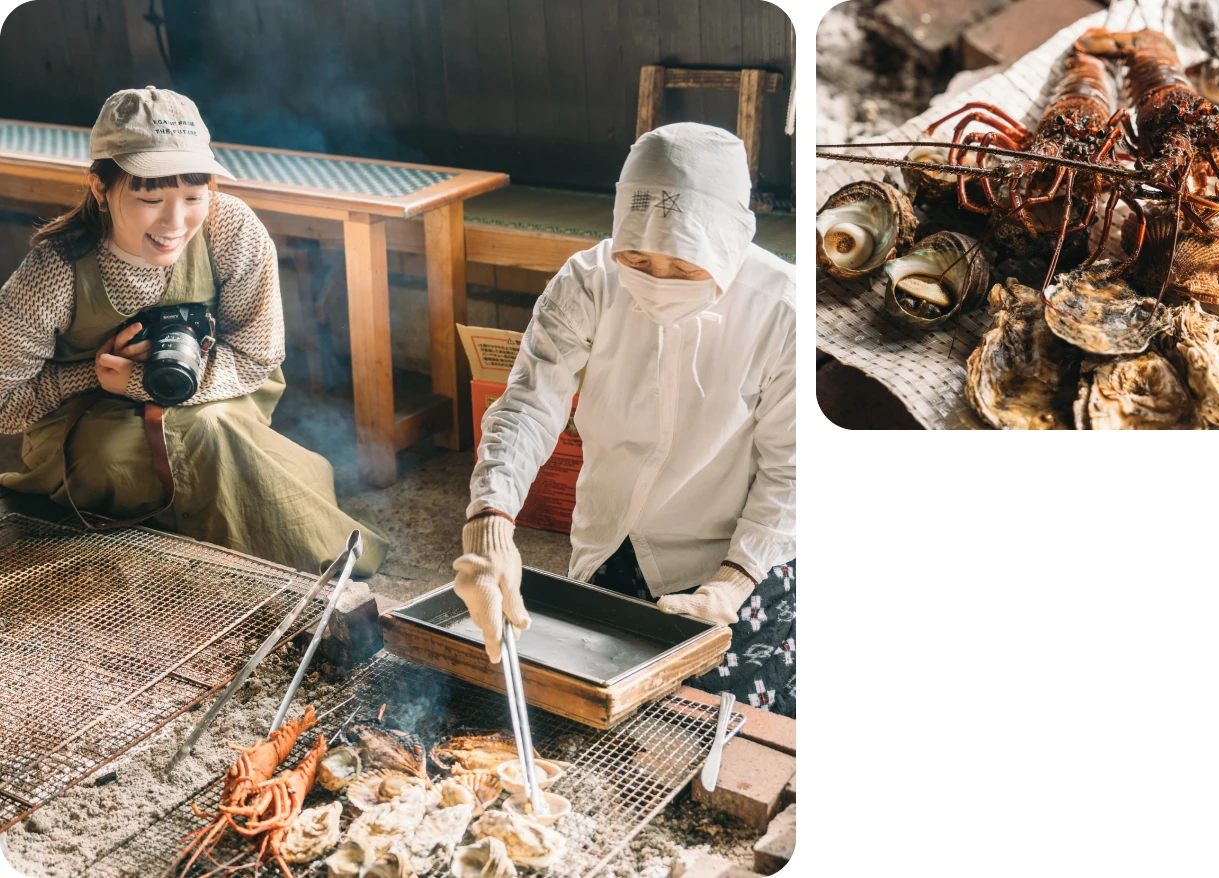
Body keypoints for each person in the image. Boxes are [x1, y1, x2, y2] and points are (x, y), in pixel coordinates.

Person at [451, 123, 795, 716]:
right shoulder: (587, 283)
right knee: (588, 700)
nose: (657, 280)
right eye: (637, 257)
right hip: (614, 539)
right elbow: (530, 406)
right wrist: (490, 523)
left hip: (735, 552)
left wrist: (733, 582)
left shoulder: (784, 310)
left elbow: (792, 473)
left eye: (684, 267)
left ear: (730, 244)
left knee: (718, 720)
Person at [0, 86, 387, 577]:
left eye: (193, 196)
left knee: (208, 428)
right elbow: (4, 403)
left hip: (214, 395)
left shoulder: (232, 231)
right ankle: (269, 553)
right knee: (118, 456)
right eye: (150, 198)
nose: (175, 222)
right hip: (87, 418)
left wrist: (142, 383)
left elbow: (256, 354)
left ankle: (238, 567)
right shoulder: (52, 273)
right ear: (99, 186)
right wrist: (96, 376)